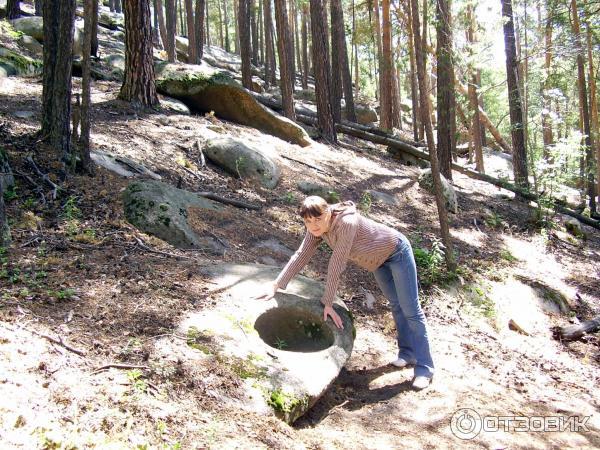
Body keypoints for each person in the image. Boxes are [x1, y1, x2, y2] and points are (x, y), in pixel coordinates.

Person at [255, 196, 434, 390]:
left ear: (328, 212)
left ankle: (425, 368)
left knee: (411, 310)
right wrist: (276, 284)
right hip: (379, 262)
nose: (313, 225)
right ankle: (407, 353)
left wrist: (328, 302)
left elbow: (337, 263)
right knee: (396, 305)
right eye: (308, 221)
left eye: (317, 219)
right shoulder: (316, 228)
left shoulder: (346, 223)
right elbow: (301, 254)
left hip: (397, 253)